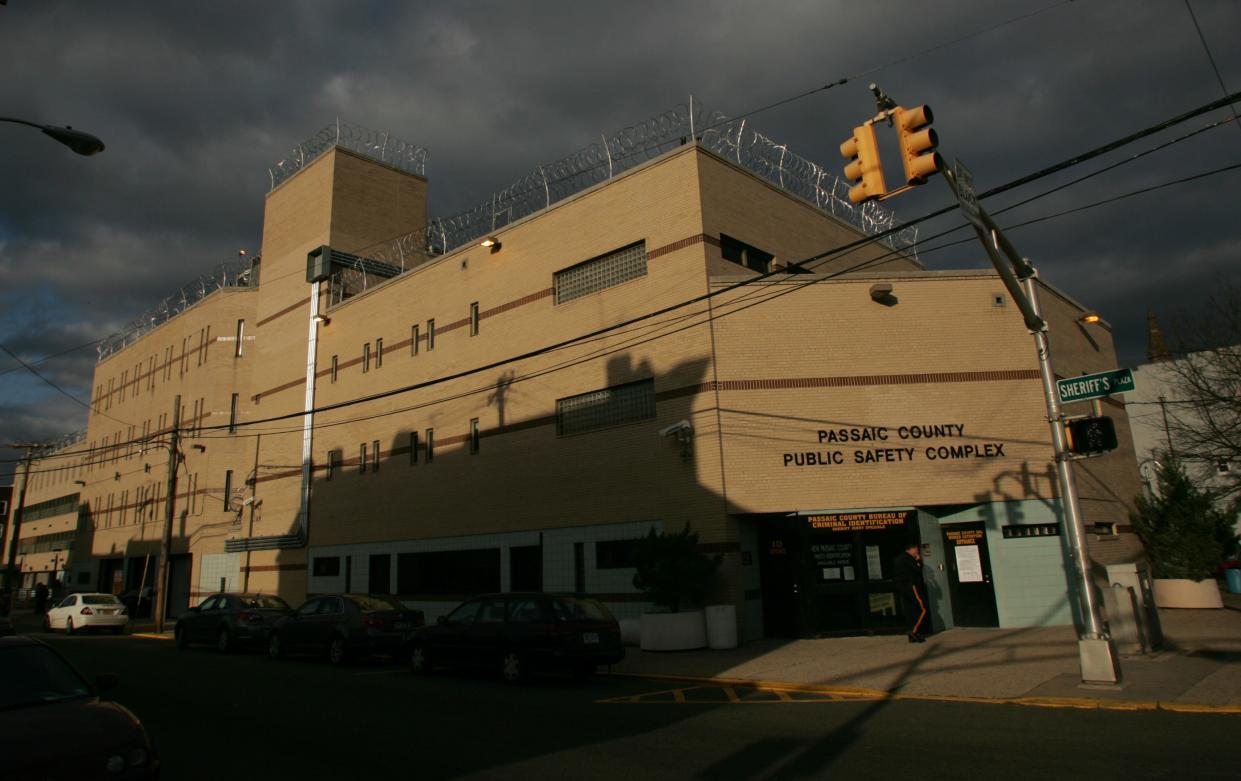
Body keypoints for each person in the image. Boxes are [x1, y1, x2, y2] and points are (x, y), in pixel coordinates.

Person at [893, 542, 928, 643]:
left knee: (911, 610)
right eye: (916, 550)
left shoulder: (898, 559)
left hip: (903, 587)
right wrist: (918, 560)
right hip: (911, 586)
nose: (917, 552)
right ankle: (913, 631)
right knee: (922, 608)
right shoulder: (908, 559)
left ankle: (913, 634)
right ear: (911, 549)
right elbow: (917, 569)